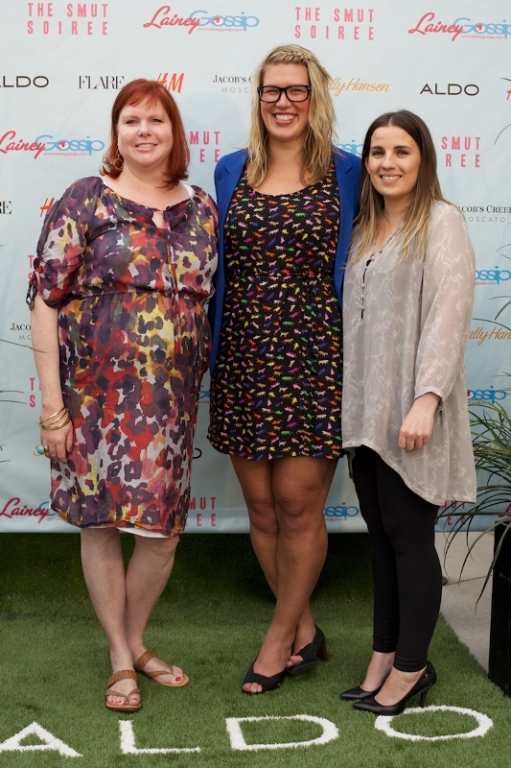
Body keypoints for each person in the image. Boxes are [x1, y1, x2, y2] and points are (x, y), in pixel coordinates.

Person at [27, 79, 218, 712]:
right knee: (101, 524)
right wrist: (52, 409)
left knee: (161, 537)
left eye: (156, 120)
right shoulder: (86, 198)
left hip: (170, 407)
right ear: (116, 132)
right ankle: (120, 656)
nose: (144, 130)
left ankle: (134, 641)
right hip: (93, 403)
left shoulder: (203, 208)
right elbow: (45, 303)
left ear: (174, 132)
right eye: (131, 120)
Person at [207, 44, 360, 694]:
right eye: (271, 90)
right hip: (243, 356)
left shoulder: (347, 171)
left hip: (316, 357)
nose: (283, 101)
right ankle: (305, 629)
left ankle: (278, 637)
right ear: (258, 98)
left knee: (298, 508)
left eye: (296, 90)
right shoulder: (230, 169)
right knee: (263, 511)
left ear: (315, 97)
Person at [340, 110, 476, 714]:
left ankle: (412, 667)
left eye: (401, 151)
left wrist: (427, 399)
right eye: (377, 152)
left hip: (413, 409)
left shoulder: (442, 222)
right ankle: (384, 655)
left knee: (410, 538)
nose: (387, 163)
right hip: (364, 411)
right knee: (380, 539)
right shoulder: (363, 228)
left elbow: (450, 312)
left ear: (423, 159)